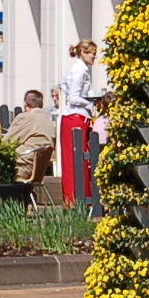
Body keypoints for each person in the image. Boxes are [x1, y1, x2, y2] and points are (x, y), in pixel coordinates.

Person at [57, 39, 99, 202]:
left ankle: (73, 198)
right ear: (84, 53)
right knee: (76, 160)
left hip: (73, 116)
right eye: (92, 54)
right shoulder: (80, 71)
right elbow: (74, 97)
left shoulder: (76, 69)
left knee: (72, 159)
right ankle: (76, 198)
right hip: (76, 116)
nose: (94, 57)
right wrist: (90, 103)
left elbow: (62, 84)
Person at [8, 89, 58, 174]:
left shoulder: (25, 118)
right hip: (40, 170)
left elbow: (8, 142)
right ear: (41, 105)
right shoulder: (49, 121)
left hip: (20, 167)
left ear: (25, 104)